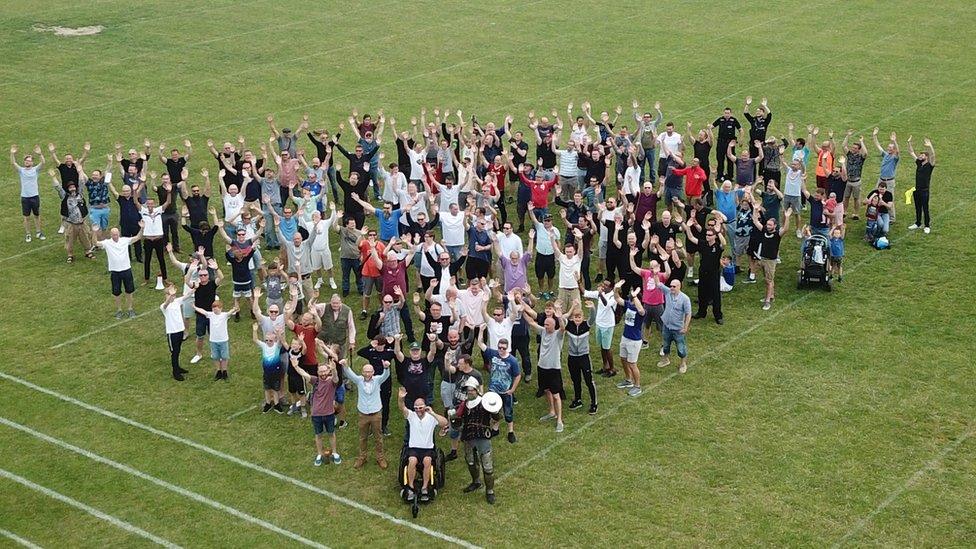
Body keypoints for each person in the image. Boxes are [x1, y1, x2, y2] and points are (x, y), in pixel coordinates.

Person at [293, 341, 343, 466]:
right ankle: (320, 454)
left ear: (328, 372)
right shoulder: (315, 381)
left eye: (325, 371)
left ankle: (335, 453)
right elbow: (304, 374)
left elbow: (336, 378)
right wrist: (296, 367)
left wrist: (334, 369)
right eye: (320, 371)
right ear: (318, 372)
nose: (322, 373)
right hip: (316, 414)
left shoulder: (332, 381)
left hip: (329, 413)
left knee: (331, 434)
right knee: (318, 435)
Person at [521, 300, 568, 433]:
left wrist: (559, 317)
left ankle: (559, 420)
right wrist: (522, 310)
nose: (545, 326)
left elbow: (563, 328)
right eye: (545, 324)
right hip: (542, 367)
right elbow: (531, 322)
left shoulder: (558, 335)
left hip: (554, 369)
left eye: (548, 325)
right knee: (546, 390)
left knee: (556, 395)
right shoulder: (543, 331)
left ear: (553, 325)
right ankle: (551, 411)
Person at [453, 376, 501, 504]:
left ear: (476, 390)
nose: (470, 392)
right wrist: (453, 418)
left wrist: (495, 410)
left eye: (472, 390)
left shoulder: (484, 402)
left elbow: (497, 416)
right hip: (468, 436)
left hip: (482, 436)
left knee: (487, 466)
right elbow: (458, 420)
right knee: (470, 462)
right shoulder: (464, 404)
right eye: (468, 390)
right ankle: (476, 482)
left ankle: (490, 491)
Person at [397, 386, 449, 502]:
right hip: (414, 448)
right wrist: (401, 398)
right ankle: (410, 487)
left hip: (427, 449)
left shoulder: (431, 418)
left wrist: (433, 413)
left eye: (421, 407)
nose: (418, 410)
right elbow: (402, 408)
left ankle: (425, 487)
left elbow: (444, 423)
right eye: (416, 408)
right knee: (412, 461)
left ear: (425, 407)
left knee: (427, 461)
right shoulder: (411, 416)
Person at [343, 360, 392, 469]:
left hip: (376, 414)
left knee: (378, 437)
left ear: (373, 372)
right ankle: (362, 457)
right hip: (363, 414)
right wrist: (345, 366)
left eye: (369, 372)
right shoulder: (359, 380)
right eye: (365, 372)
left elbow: (386, 375)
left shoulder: (377, 380)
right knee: (362, 437)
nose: (367, 374)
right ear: (362, 372)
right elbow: (350, 374)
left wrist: (386, 368)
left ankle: (380, 458)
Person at [684, 217, 727, 324]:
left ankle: (718, 315)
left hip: (714, 273)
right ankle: (701, 312)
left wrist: (718, 232)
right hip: (703, 272)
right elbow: (691, 238)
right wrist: (688, 227)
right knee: (701, 293)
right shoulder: (703, 244)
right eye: (707, 235)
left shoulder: (717, 246)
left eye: (710, 235)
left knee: (715, 295)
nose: (707, 236)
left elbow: (724, 244)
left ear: (714, 236)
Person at [583, 279, 623, 378]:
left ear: (611, 287)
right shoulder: (600, 293)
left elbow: (607, 304)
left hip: (608, 325)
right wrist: (579, 282)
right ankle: (605, 366)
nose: (604, 286)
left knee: (607, 347)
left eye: (606, 285)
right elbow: (585, 292)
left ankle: (612, 369)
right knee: (602, 346)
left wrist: (600, 294)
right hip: (599, 323)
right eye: (603, 284)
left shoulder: (614, 296)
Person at [50, 173, 94, 263]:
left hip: (82, 222)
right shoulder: (65, 197)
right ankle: (70, 255)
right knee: (70, 240)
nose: (72, 188)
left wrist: (80, 170)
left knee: (85, 237)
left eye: (73, 187)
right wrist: (53, 177)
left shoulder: (80, 195)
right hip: (71, 223)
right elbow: (58, 188)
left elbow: (81, 182)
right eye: (70, 187)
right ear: (68, 189)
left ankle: (88, 251)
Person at [189, 262, 225, 364]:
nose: (203, 277)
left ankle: (214, 353)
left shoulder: (212, 284)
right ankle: (198, 354)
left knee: (213, 336)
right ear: (199, 277)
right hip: (200, 315)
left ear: (208, 276)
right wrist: (191, 270)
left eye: (205, 275)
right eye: (201, 275)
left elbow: (221, 278)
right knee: (200, 336)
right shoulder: (196, 285)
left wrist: (217, 268)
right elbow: (187, 281)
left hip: (212, 315)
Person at [565, 303, 598, 414]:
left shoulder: (586, 325)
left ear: (583, 317)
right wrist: (564, 310)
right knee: (576, 380)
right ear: (572, 317)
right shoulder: (569, 325)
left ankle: (594, 403)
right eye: (575, 317)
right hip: (572, 357)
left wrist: (593, 308)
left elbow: (593, 317)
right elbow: (561, 319)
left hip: (584, 357)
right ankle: (578, 399)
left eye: (579, 317)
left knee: (588, 380)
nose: (577, 319)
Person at [655, 279, 693, 374]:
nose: (671, 288)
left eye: (674, 286)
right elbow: (658, 284)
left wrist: (685, 327)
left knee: (681, 348)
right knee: (666, 345)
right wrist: (655, 274)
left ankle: (683, 364)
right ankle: (665, 360)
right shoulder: (668, 292)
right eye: (671, 286)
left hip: (678, 329)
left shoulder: (685, 299)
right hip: (667, 326)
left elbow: (688, 314)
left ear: (679, 287)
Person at [10, 144, 46, 242]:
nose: (27, 162)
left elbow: (43, 162)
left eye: (29, 160)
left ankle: (39, 232)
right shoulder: (21, 170)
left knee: (37, 215)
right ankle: (28, 234)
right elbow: (13, 163)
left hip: (35, 196)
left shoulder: (35, 170)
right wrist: (12, 154)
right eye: (26, 160)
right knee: (26, 217)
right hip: (25, 197)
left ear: (32, 162)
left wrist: (40, 154)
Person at [616, 284, 646, 397]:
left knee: (632, 364)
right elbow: (617, 299)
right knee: (623, 359)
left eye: (632, 298)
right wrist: (616, 288)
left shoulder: (641, 311)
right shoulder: (628, 305)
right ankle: (628, 380)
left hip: (634, 340)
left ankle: (637, 386)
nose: (630, 299)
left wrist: (635, 297)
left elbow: (641, 310)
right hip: (625, 337)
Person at [161, 284, 193, 381]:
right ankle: (175, 372)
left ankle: (178, 367)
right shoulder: (163, 306)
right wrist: (171, 294)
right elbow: (166, 304)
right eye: (169, 295)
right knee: (174, 352)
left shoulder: (177, 302)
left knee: (178, 350)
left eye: (173, 295)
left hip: (180, 331)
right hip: (172, 332)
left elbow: (187, 295)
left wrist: (194, 288)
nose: (172, 297)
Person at [252, 322, 285, 414]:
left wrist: (279, 333)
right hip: (266, 372)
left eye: (270, 340)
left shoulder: (277, 346)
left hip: (276, 372)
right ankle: (268, 403)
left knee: (275, 389)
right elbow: (255, 340)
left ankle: (276, 404)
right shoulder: (264, 346)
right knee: (267, 388)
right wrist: (255, 330)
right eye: (266, 340)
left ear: (274, 340)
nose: (268, 342)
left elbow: (281, 340)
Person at [906, 136, 936, 233]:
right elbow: (911, 152)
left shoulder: (930, 165)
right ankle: (918, 223)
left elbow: (933, 156)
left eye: (922, 155)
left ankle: (927, 225)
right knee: (918, 207)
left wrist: (930, 146)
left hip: (924, 191)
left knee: (925, 208)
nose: (920, 156)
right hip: (917, 190)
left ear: (926, 157)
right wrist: (909, 143)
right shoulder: (919, 163)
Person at [871, 127, 900, 222]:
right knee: (875, 195)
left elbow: (898, 152)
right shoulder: (885, 154)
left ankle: (892, 218)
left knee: (890, 198)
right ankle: (875, 212)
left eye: (891, 148)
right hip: (881, 179)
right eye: (888, 147)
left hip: (889, 181)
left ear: (894, 149)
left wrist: (894, 141)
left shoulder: (895, 158)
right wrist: (874, 135)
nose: (889, 149)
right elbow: (878, 145)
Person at [841, 131, 868, 220]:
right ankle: (844, 212)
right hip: (848, 180)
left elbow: (866, 153)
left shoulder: (861, 157)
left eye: (855, 148)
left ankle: (856, 213)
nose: (853, 149)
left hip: (856, 181)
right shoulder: (850, 155)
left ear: (858, 149)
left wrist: (862, 142)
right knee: (846, 197)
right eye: (852, 147)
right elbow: (843, 146)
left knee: (856, 198)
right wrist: (847, 136)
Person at [711, 107, 741, 182]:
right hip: (721, 143)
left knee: (730, 159)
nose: (727, 114)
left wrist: (741, 140)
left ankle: (730, 176)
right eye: (725, 113)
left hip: (730, 143)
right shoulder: (720, 120)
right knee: (720, 159)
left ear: (731, 113)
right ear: (723, 113)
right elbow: (711, 127)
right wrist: (709, 130)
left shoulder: (733, 120)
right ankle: (719, 175)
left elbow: (741, 130)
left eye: (728, 113)